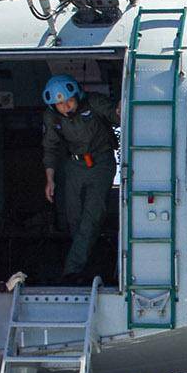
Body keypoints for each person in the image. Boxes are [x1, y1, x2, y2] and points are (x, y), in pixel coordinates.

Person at [40, 75, 120, 285]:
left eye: (68, 101)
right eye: (59, 104)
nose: (65, 107)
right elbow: (50, 147)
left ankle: (71, 271)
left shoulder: (93, 103)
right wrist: (50, 179)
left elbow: (117, 115)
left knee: (91, 216)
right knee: (73, 218)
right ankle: (88, 264)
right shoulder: (52, 118)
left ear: (77, 96)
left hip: (101, 164)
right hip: (74, 166)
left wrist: (120, 108)